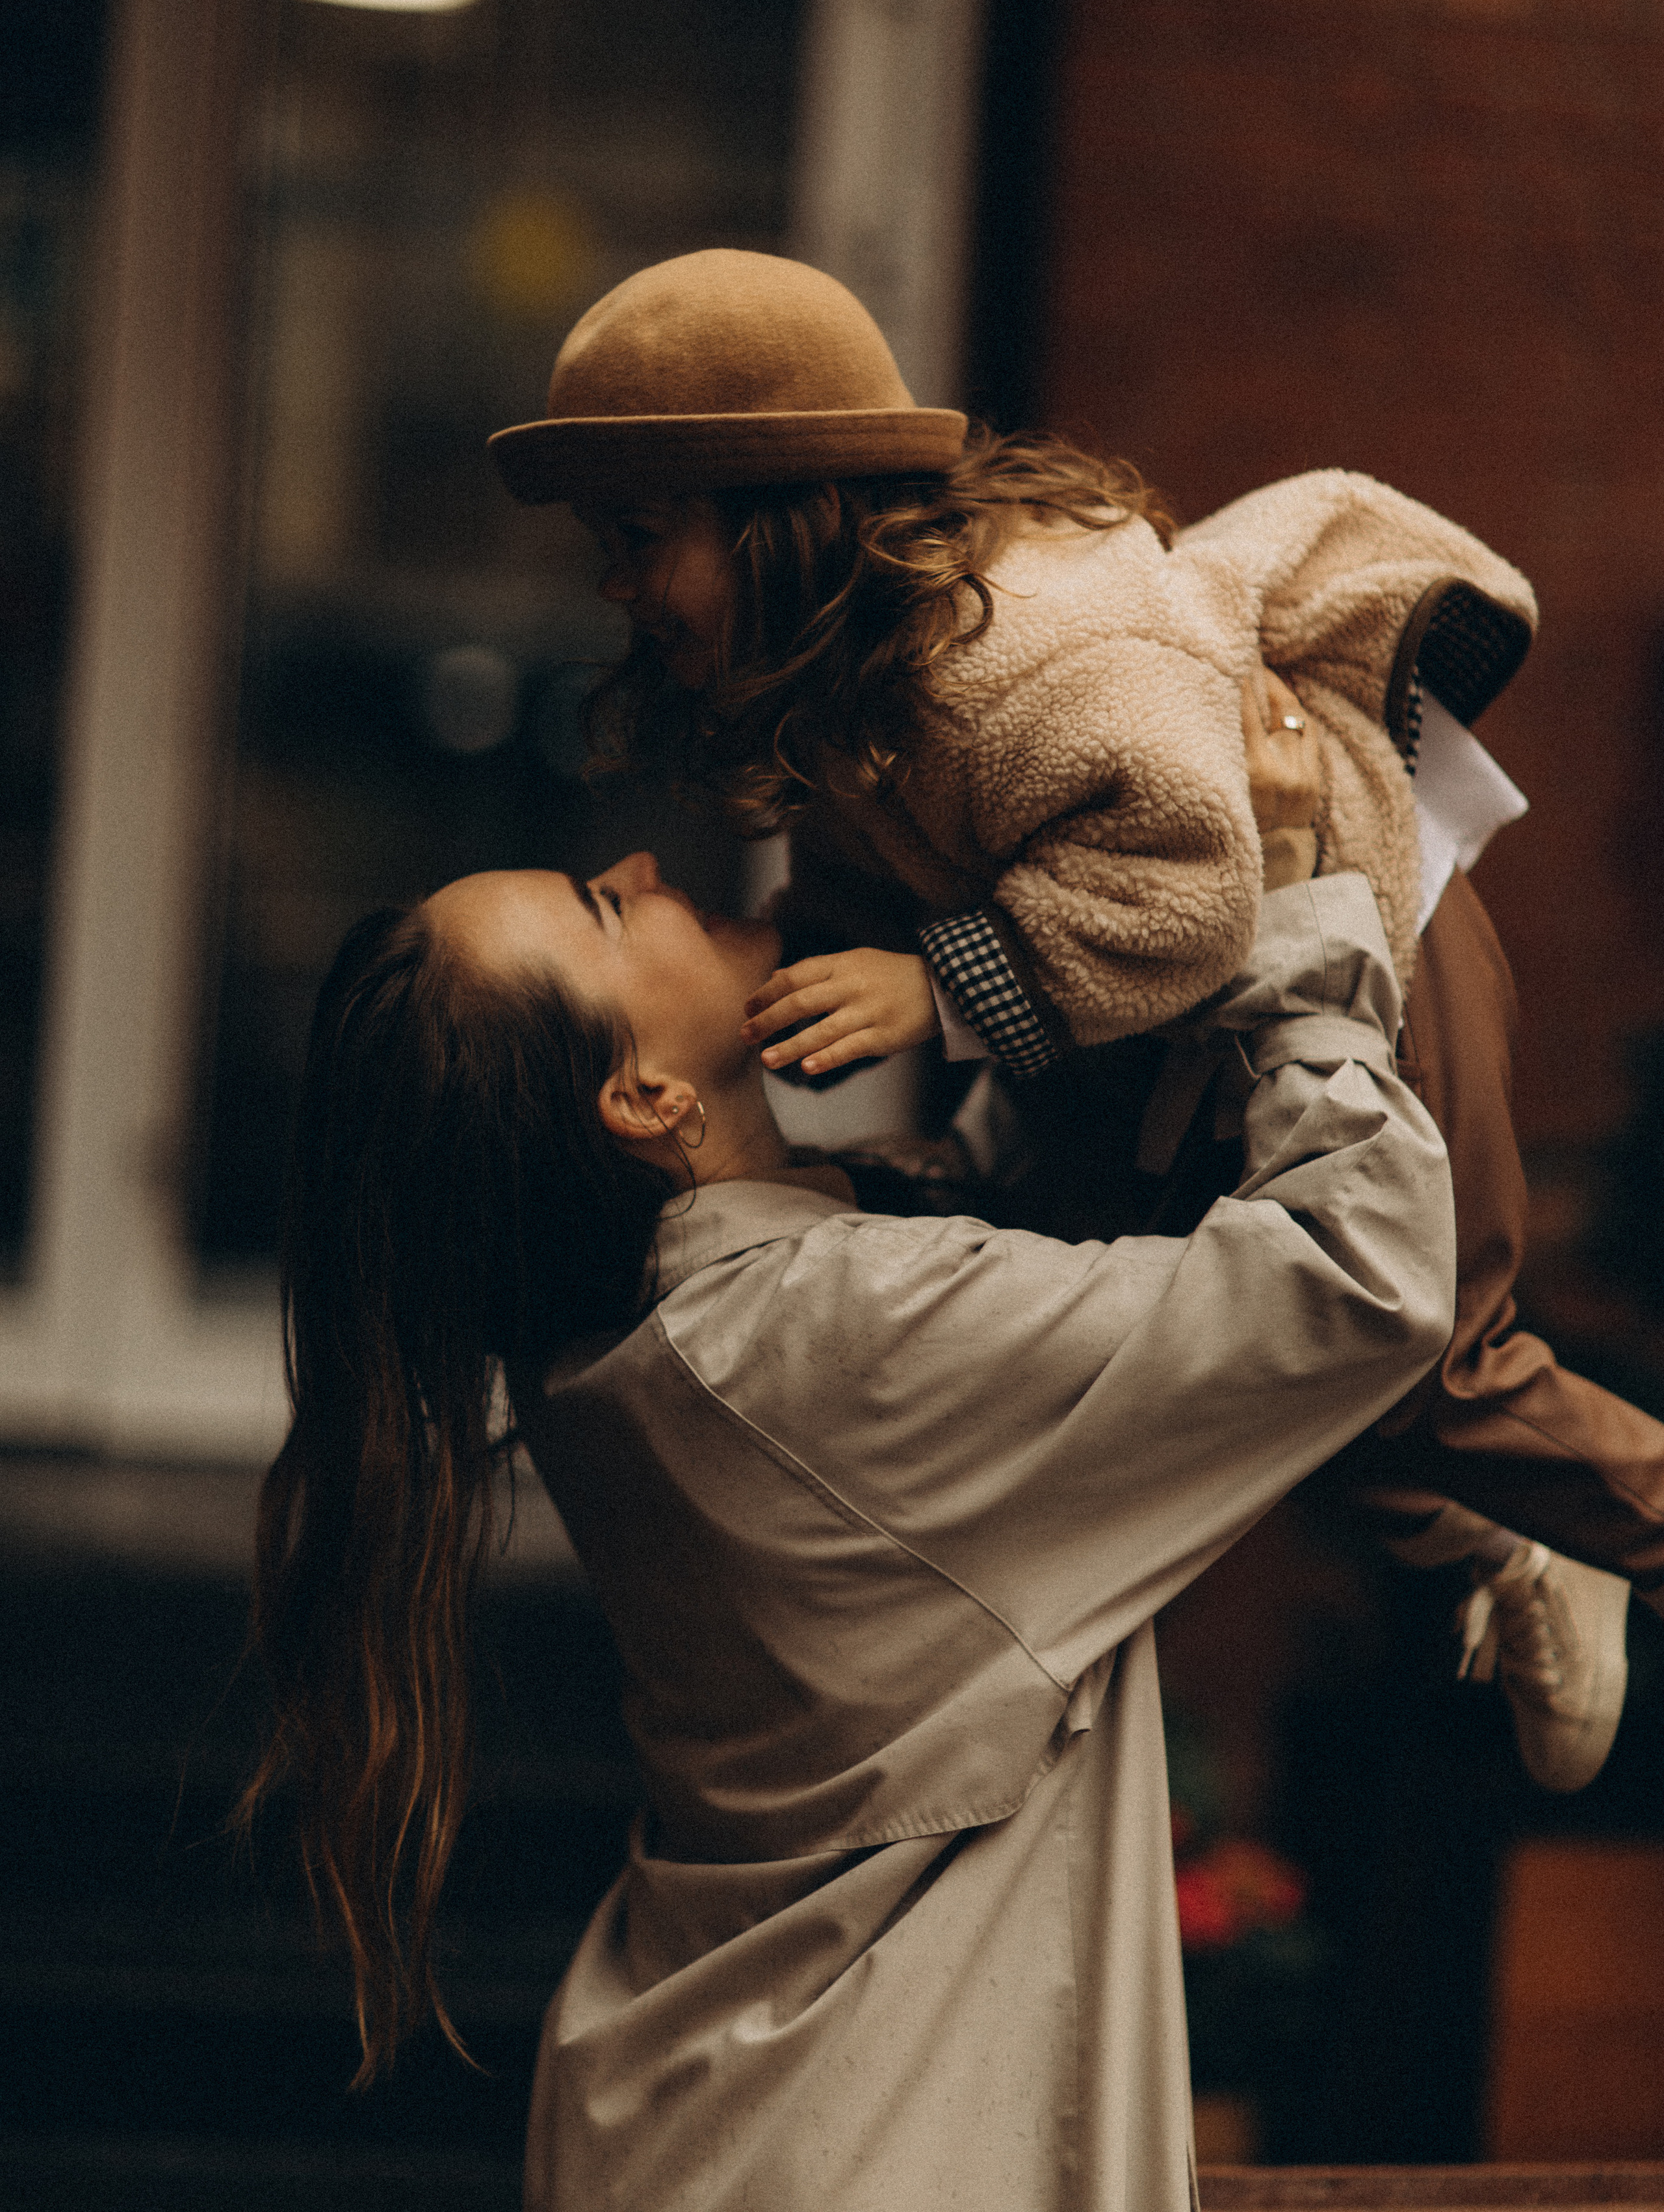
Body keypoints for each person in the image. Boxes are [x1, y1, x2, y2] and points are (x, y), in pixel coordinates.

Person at [486, 246, 1664, 1793]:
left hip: (1360, 934)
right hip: (1185, 1027)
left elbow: (1183, 882)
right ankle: (1503, 1552)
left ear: (778, 522)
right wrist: (789, 949)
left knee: (1437, 1357)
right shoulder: (849, 686)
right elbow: (876, 870)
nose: (618, 585)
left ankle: (1592, 1533)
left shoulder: (1015, 658)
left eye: (641, 538)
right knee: (1205, 1336)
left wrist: (936, 985)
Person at [245, 823, 1453, 2209]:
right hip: (863, 2143)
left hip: (732, 2116)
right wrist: (1288, 910)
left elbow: (999, 1242)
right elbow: (1362, 1275)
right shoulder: (824, 1343)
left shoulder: (615, 1347)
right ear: (642, 1098)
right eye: (604, 907)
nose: (647, 865)